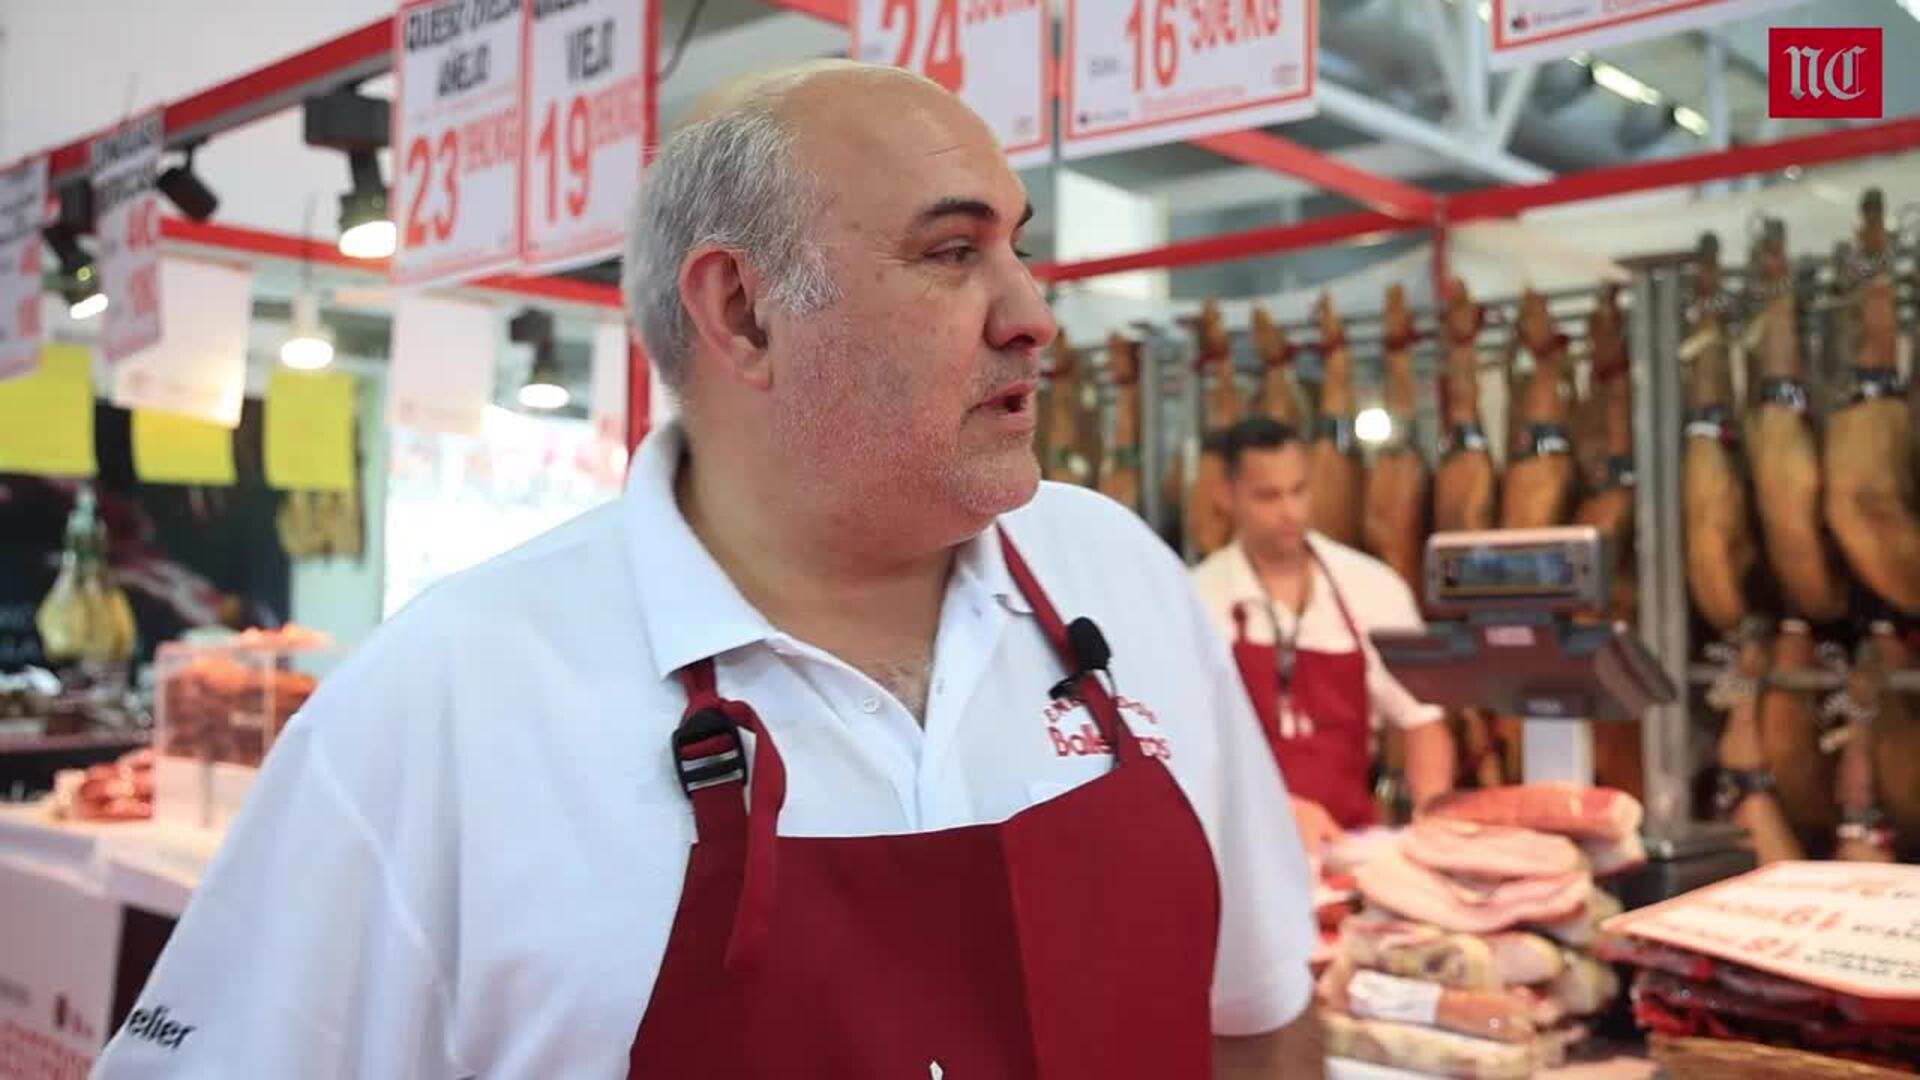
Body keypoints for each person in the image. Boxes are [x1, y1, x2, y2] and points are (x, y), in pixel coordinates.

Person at [96, 62, 1325, 1078]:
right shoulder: (447, 700)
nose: (1034, 314)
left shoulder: (1121, 575)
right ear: (741, 312)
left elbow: (1262, 1021)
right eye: (954, 253)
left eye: (1018, 247)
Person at [1190, 417, 1455, 853]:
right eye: (1268, 496)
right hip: (1239, 850)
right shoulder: (1199, 597)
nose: (1289, 511)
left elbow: (1422, 722)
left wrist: (1430, 820)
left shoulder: (1372, 587)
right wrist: (1274, 811)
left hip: (1351, 845)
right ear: (1228, 495)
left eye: (1299, 490)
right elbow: (1184, 745)